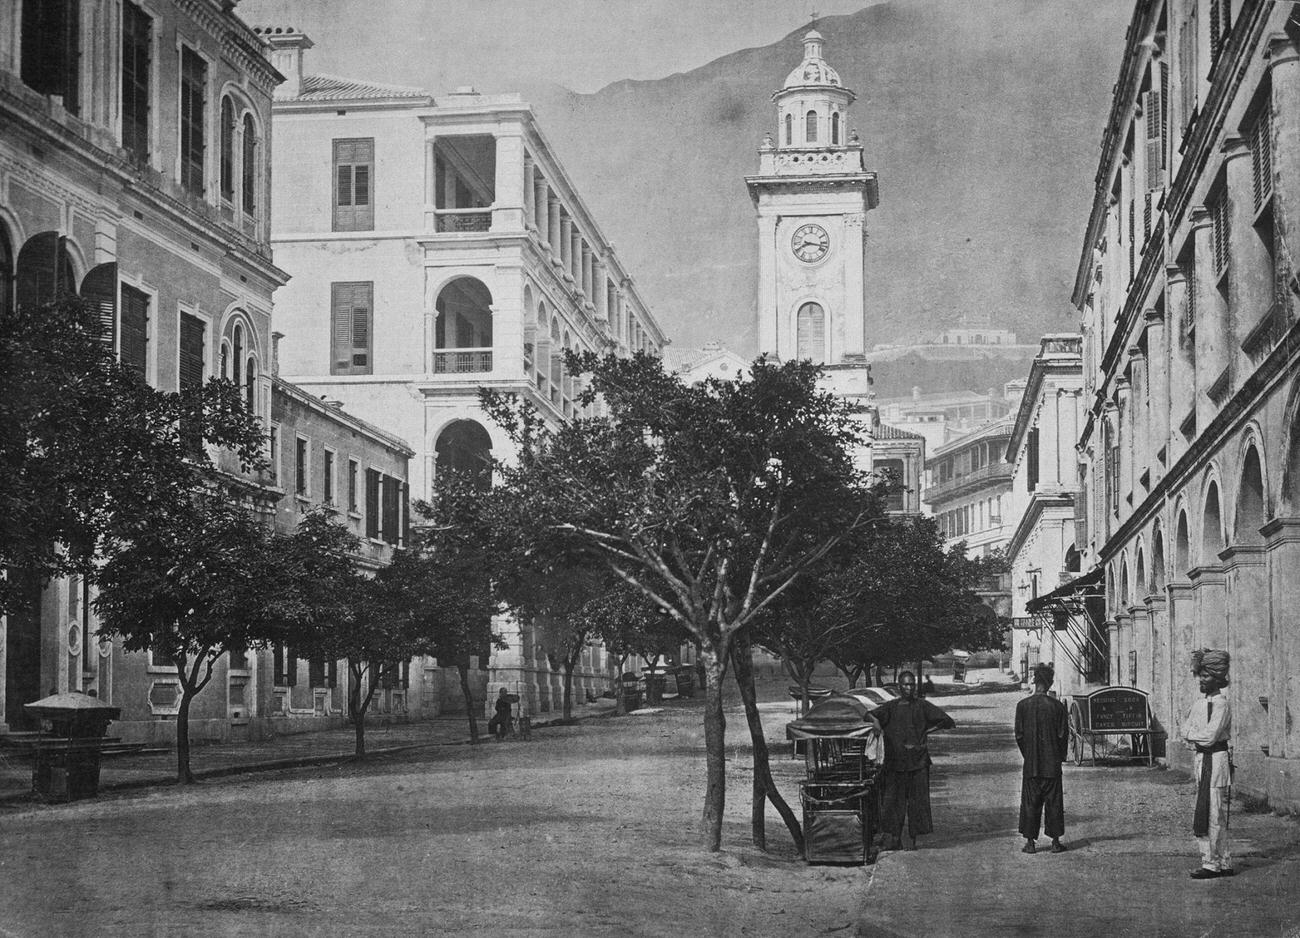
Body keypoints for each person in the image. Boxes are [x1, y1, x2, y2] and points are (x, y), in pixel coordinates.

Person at [873, 670, 955, 850]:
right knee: (895, 802)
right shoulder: (891, 707)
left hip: (918, 762)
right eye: (905, 684)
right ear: (899, 686)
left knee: (918, 802)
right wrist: (877, 725)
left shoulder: (922, 706)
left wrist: (927, 731)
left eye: (912, 684)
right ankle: (895, 838)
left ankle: (912, 839)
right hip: (895, 763)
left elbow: (947, 721)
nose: (909, 688)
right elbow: (869, 715)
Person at [1182, 648, 1233, 879]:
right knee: (1206, 811)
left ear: (1218, 678)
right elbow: (1184, 728)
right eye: (1200, 676)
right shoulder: (1199, 704)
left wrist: (1193, 734)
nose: (1202, 680)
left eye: (1206, 676)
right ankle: (1220, 861)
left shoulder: (1222, 704)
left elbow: (1211, 736)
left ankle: (1213, 863)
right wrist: (1193, 734)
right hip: (1202, 759)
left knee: (1214, 814)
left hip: (1216, 761)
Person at [1015, 662, 1070, 854]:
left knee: (1030, 803)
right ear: (1049, 683)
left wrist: (1029, 755)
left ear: (1035, 681)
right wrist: (1059, 756)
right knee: (1054, 802)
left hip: (1032, 765)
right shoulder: (1057, 707)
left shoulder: (1022, 706)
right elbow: (1063, 735)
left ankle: (1030, 843)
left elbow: (1019, 736)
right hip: (1051, 764)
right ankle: (1055, 842)